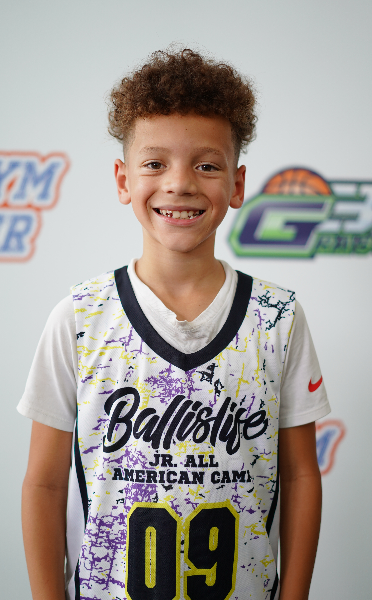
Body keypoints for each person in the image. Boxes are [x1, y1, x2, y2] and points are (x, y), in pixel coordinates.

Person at [18, 48, 330, 600]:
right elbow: (44, 483)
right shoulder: (81, 317)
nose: (180, 183)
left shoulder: (277, 318)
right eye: (155, 163)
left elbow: (301, 474)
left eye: (206, 165)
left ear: (237, 185)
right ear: (123, 180)